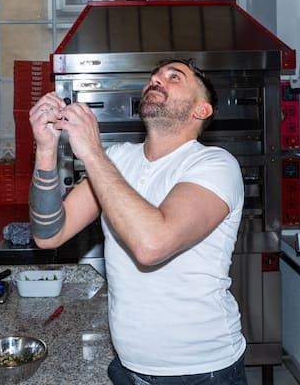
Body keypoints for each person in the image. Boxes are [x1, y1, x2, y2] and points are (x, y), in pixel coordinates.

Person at [29, 58, 247, 384]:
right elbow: (49, 234)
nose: (156, 80)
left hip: (201, 371)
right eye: (154, 76)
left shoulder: (216, 165)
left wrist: (92, 152)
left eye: (174, 77)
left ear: (201, 110)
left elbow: (151, 245)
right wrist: (46, 150)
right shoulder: (117, 159)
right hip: (128, 368)